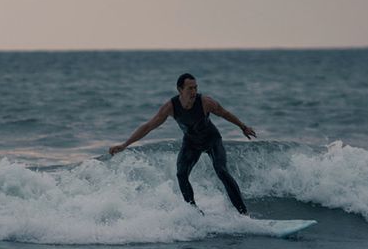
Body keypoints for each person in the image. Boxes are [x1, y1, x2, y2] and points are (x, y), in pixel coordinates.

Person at [109, 72, 257, 214]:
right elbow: (148, 126)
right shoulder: (171, 107)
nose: (194, 91)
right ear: (180, 90)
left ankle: (243, 213)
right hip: (191, 143)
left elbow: (225, 113)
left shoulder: (205, 102)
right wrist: (124, 145)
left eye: (195, 88)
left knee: (221, 171)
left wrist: (243, 127)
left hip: (212, 140)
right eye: (190, 88)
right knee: (181, 174)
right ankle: (194, 213)